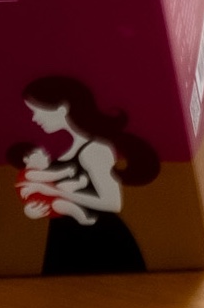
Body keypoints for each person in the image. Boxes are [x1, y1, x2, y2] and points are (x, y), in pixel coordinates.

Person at [15, 74, 157, 276]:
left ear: (62, 108)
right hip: (66, 237)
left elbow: (112, 203)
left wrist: (53, 191)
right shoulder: (67, 153)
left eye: (37, 111)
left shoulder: (94, 149)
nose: (34, 118)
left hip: (100, 240)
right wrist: (35, 209)